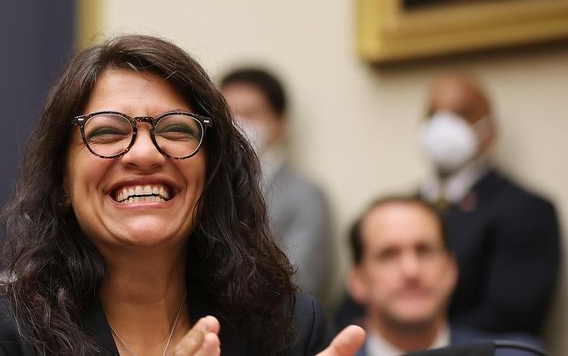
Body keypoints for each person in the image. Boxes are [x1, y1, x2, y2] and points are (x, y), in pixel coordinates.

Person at [0, 35, 365, 355]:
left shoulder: (287, 327)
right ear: (62, 183)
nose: (143, 153)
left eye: (176, 129)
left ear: (211, 175)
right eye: (107, 131)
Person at [337, 73, 560, 338]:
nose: (443, 126)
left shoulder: (526, 210)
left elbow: (512, 315)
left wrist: (408, 337)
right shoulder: (395, 212)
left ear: (490, 130)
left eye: (460, 114)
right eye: (433, 115)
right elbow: (350, 308)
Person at [347, 196, 543, 356]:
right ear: (358, 280)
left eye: (424, 251)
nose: (411, 271)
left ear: (451, 270)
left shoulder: (514, 353)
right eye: (389, 255)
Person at [220, 68, 333, 297]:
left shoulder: (305, 195)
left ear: (281, 125)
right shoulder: (209, 186)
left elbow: (303, 282)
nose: (236, 125)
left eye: (249, 115)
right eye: (227, 115)